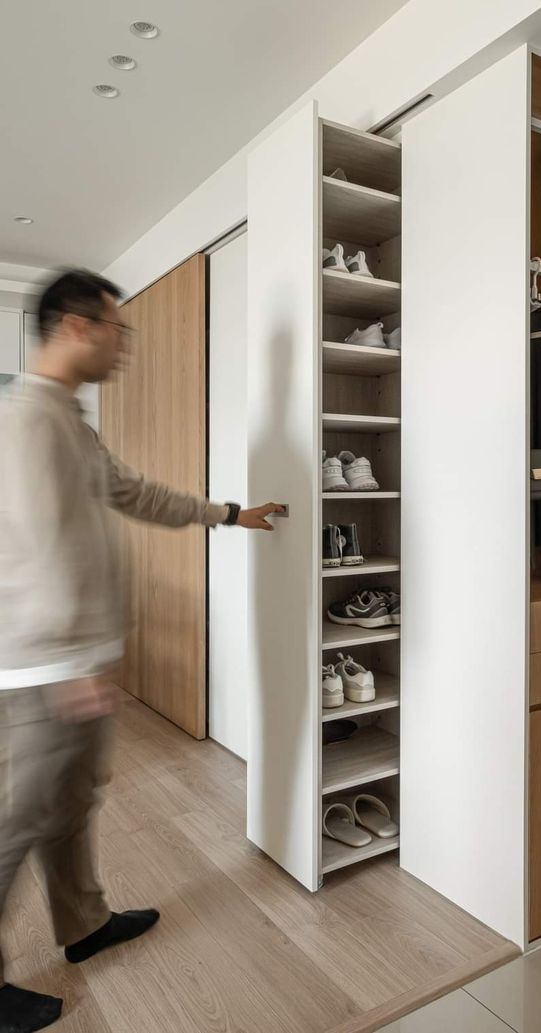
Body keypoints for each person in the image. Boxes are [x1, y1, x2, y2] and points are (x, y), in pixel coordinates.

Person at [0, 269, 282, 1033]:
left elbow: (134, 493)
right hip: (43, 667)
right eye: (119, 330)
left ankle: (83, 922)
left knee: (72, 802)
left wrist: (230, 513)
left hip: (66, 659)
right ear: (76, 326)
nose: (126, 347)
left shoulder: (70, 422)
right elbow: (41, 545)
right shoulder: (27, 420)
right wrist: (76, 660)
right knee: (18, 818)